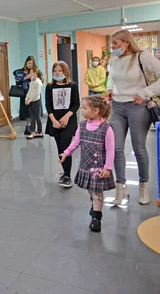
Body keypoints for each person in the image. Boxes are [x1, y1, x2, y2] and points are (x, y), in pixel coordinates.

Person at [107, 29, 160, 205]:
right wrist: (110, 89)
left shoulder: (142, 57)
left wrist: (146, 92)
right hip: (117, 107)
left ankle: (143, 185)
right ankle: (121, 188)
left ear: (126, 43)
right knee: (116, 149)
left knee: (139, 148)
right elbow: (111, 78)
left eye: (115, 43)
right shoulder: (114, 59)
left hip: (137, 107)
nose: (112, 47)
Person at [60, 97, 115, 232]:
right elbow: (76, 142)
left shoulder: (106, 129)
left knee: (97, 191)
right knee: (91, 190)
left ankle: (96, 218)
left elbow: (110, 150)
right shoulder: (82, 126)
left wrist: (107, 168)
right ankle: (95, 205)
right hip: (86, 165)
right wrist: (66, 153)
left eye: (85, 108)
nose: (82, 111)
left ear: (96, 111)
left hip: (99, 168)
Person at [45, 61, 80, 188]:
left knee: (66, 148)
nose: (57, 73)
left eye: (60, 70)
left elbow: (76, 104)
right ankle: (64, 172)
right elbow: (48, 105)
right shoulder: (49, 87)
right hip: (54, 121)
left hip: (68, 121)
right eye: (55, 70)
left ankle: (67, 176)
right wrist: (54, 120)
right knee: (60, 147)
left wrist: (67, 116)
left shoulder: (73, 85)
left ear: (65, 72)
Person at [14, 56, 43, 135]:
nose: (30, 65)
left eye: (32, 63)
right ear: (26, 63)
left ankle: (37, 130)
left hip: (35, 95)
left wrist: (34, 77)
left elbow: (41, 80)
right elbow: (17, 82)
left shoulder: (36, 71)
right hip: (25, 94)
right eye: (29, 63)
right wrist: (26, 77)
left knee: (35, 113)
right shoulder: (21, 71)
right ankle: (28, 127)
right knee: (27, 112)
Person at [25, 67, 43, 139]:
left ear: (35, 73)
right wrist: (27, 98)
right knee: (32, 117)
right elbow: (30, 91)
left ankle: (39, 132)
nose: (30, 74)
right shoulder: (32, 81)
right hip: (30, 101)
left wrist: (30, 100)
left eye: (31, 72)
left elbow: (36, 93)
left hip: (36, 101)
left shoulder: (38, 82)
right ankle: (33, 131)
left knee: (37, 117)